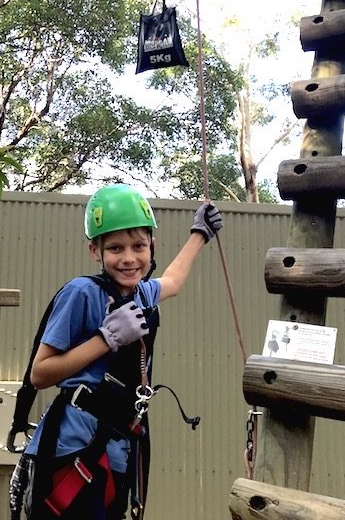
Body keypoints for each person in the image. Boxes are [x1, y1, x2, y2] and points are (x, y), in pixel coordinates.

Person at [22, 183, 223, 520]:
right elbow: (39, 374)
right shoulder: (82, 293)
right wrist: (106, 339)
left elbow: (172, 281)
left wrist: (199, 233)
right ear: (95, 251)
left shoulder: (142, 294)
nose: (129, 258)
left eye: (138, 246)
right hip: (75, 445)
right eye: (115, 248)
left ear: (151, 247)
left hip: (118, 444)